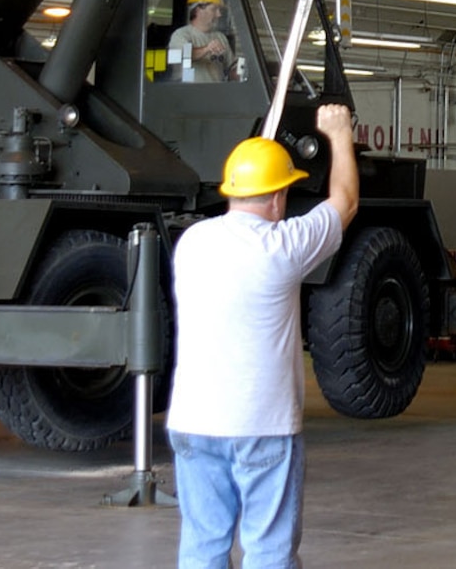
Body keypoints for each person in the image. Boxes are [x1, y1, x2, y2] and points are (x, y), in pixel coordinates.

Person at [166, 104, 360, 569]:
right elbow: (346, 202)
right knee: (269, 551)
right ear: (276, 198)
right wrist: (339, 134)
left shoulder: (191, 244)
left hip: (192, 422)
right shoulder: (283, 248)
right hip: (262, 426)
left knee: (202, 546)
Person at [169, 0, 234, 82]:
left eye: (219, 9)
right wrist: (207, 49)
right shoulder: (181, 35)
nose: (219, 14)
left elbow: (231, 68)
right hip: (190, 94)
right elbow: (183, 55)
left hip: (218, 94)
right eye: (214, 9)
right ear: (198, 9)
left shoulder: (220, 37)